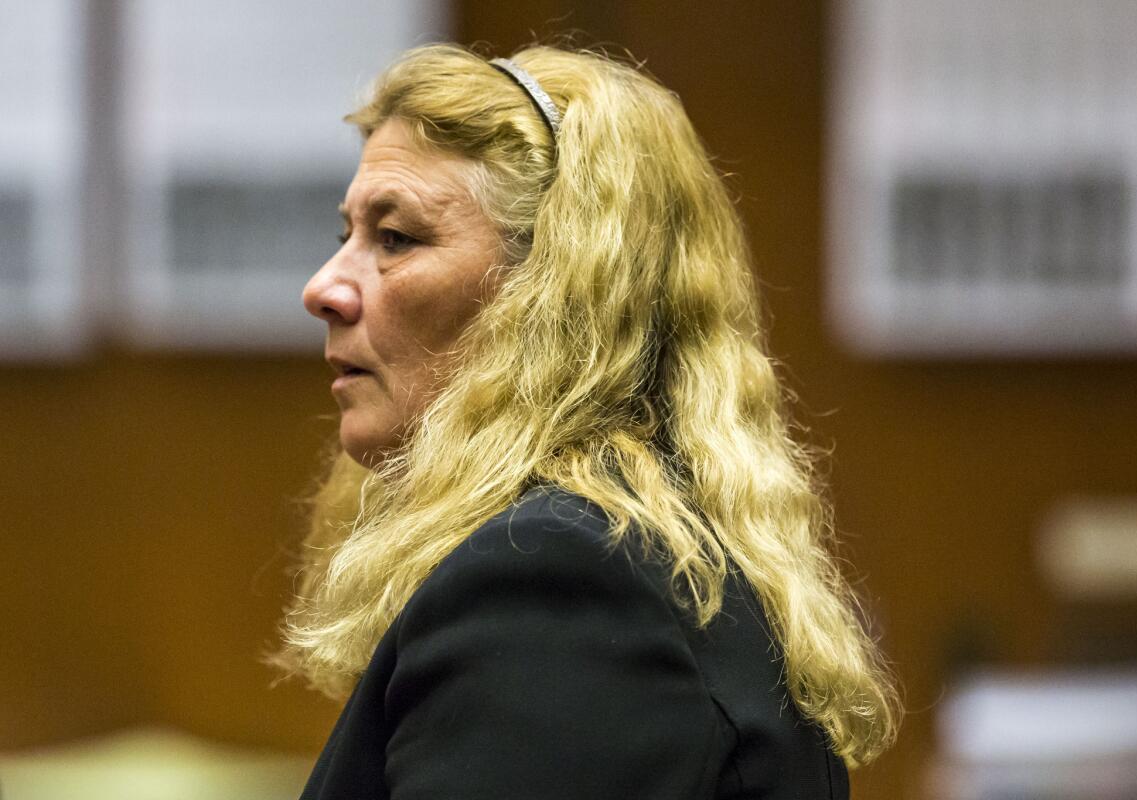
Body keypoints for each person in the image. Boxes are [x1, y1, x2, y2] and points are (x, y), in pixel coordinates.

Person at [277, 43, 900, 799]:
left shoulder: (557, 578)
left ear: (550, 292)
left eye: (396, 238)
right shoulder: (635, 551)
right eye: (344, 236)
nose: (324, 288)